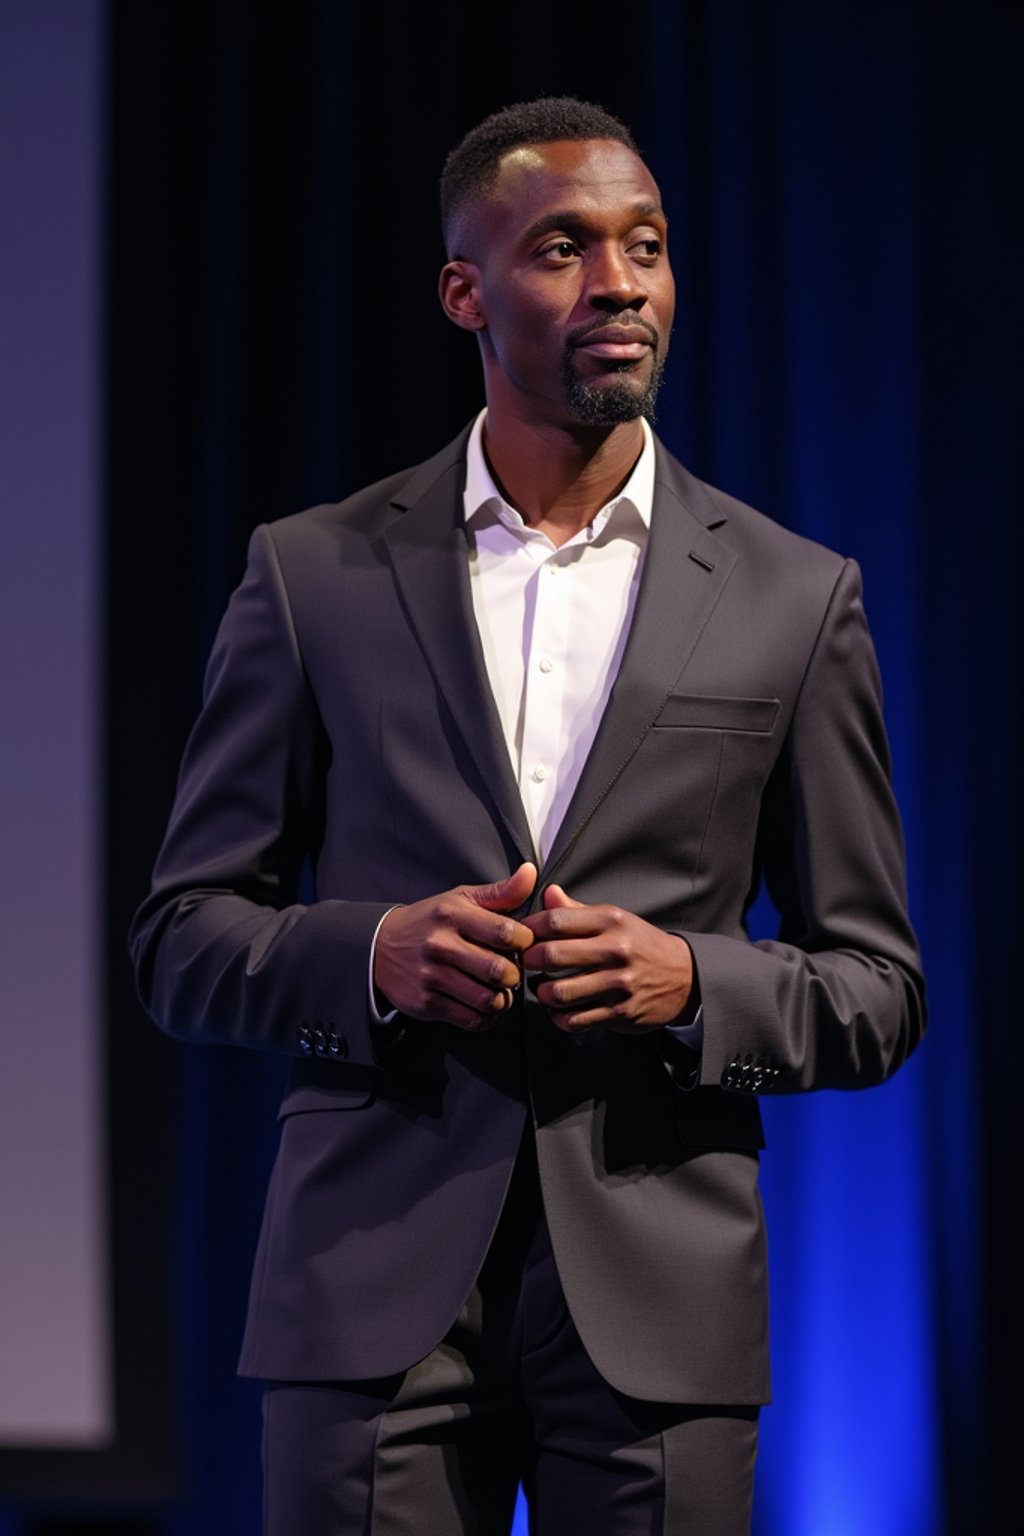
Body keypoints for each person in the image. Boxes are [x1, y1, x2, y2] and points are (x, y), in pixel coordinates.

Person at [129, 95, 926, 1535]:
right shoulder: (313, 576)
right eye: (565, 245)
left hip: (661, 1304)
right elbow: (182, 937)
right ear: (465, 292)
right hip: (367, 1292)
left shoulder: (795, 599)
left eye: (649, 247)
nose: (620, 280)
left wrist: (692, 980)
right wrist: (373, 957)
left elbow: (876, 988)